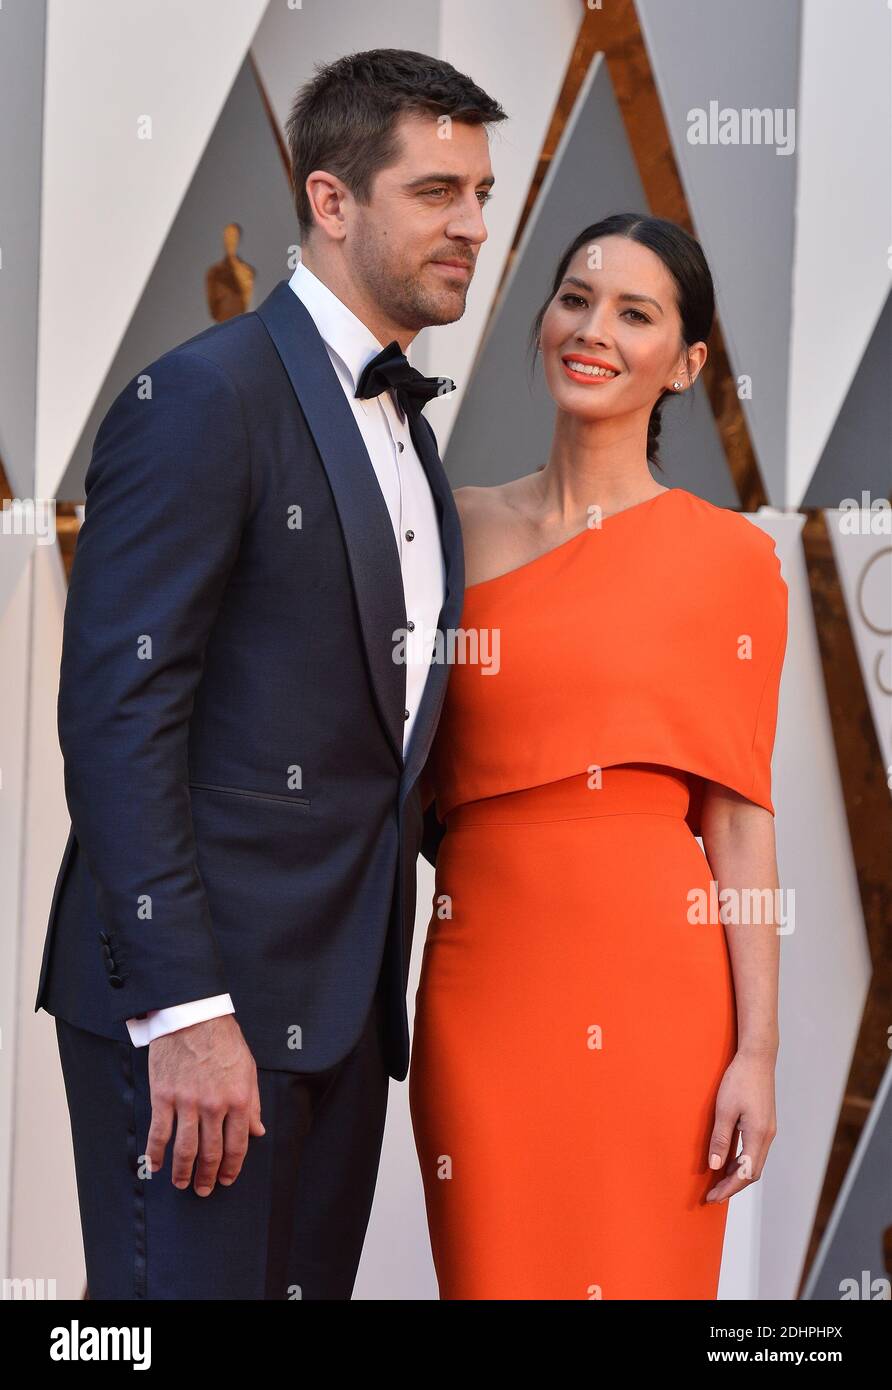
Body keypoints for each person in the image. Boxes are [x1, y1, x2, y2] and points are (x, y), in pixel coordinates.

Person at [36, 48, 505, 1300]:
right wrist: (183, 1011)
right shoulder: (203, 396)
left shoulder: (409, 434)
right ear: (331, 199)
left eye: (483, 194)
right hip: (201, 1013)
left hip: (342, 1015)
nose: (471, 226)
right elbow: (119, 715)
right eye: (437, 191)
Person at [410, 213, 788, 1300]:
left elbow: (738, 817)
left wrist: (754, 1050)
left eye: (636, 313)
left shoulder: (730, 561)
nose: (593, 329)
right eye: (576, 298)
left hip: (658, 998)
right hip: (483, 983)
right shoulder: (449, 526)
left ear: (688, 363)